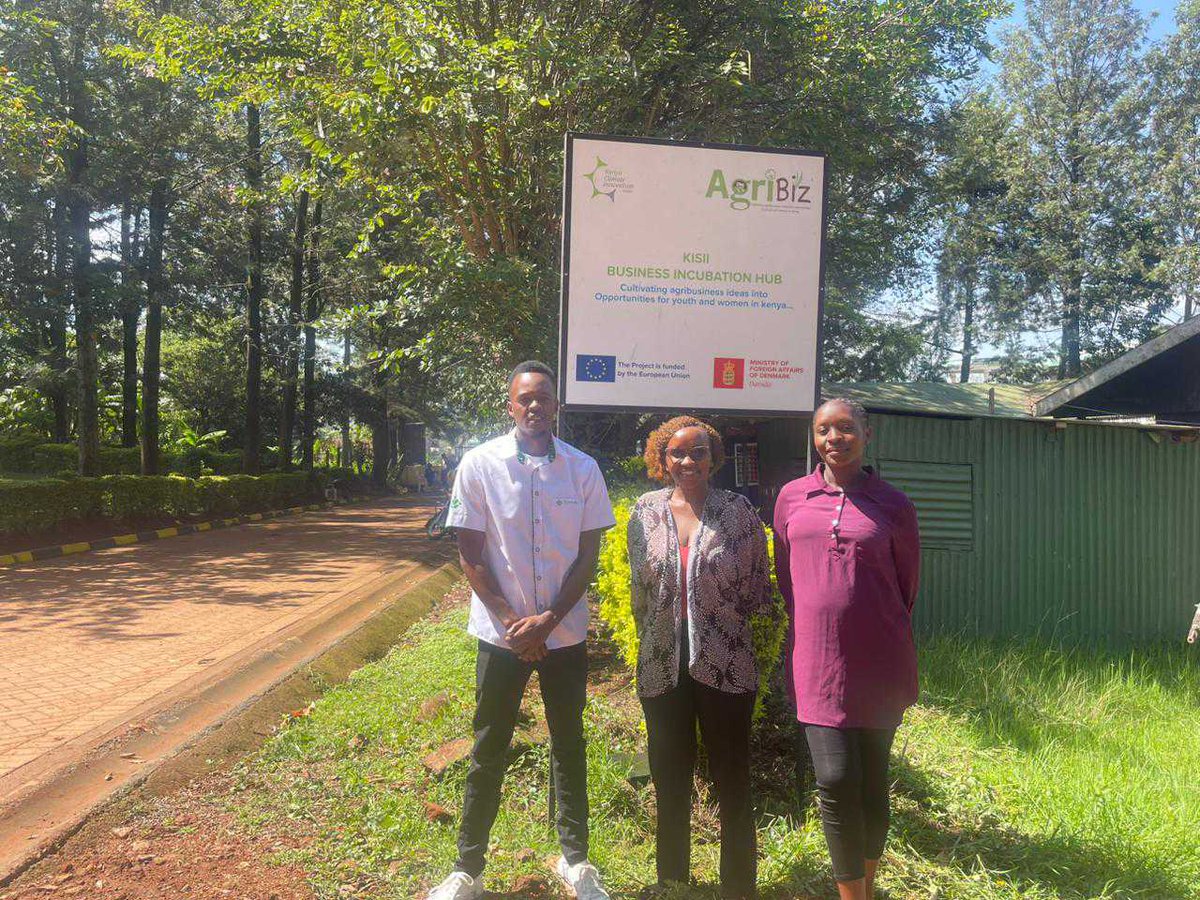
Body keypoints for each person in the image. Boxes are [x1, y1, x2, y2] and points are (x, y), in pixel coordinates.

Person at [429, 361, 617, 900]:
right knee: (489, 745)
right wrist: (515, 623)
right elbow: (469, 552)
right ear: (510, 405)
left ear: (557, 405)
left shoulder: (583, 470)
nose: (535, 406)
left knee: (569, 744)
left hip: (565, 635)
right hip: (501, 637)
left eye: (544, 398)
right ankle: (468, 870)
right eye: (524, 398)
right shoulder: (479, 464)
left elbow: (587, 558)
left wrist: (550, 621)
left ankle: (576, 862)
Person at [771, 398, 920, 900]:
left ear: (866, 433)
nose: (834, 438)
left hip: (880, 661)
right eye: (823, 430)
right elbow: (787, 579)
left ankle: (867, 887)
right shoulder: (792, 497)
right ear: (814, 438)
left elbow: (906, 587)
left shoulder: (894, 504)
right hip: (816, 661)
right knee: (835, 779)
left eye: (845, 428)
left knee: (873, 782)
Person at [627, 416, 774, 899]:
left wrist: (715, 621)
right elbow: (639, 594)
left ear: (714, 458)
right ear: (661, 459)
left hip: (727, 666)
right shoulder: (643, 513)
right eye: (677, 453)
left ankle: (738, 888)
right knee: (670, 779)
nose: (687, 461)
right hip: (661, 667)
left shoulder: (739, 513)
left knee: (732, 777)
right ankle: (672, 882)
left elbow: (757, 590)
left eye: (698, 453)